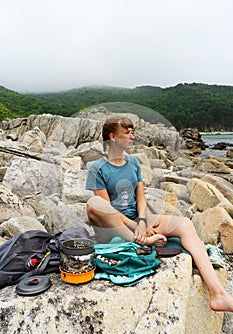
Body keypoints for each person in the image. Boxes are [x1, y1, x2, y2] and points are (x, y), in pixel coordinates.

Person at [85, 115, 233, 312]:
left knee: (184, 224)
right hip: (111, 227)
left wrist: (143, 222)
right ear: (112, 137)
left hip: (137, 222)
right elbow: (106, 207)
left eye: (132, 132)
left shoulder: (134, 164)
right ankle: (141, 241)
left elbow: (141, 199)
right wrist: (136, 228)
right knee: (93, 203)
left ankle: (218, 294)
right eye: (127, 133)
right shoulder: (97, 168)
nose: (132, 137)